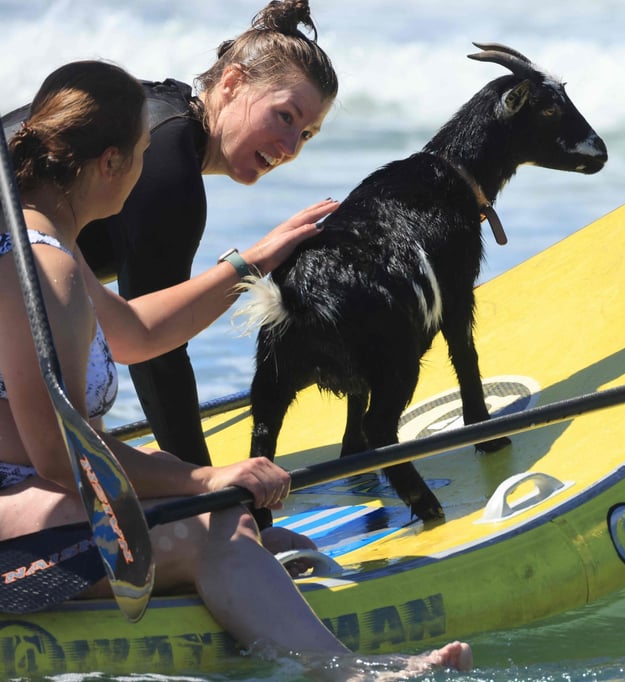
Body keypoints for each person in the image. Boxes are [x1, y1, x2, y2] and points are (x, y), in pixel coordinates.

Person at [0, 60, 472, 676]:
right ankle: (348, 672)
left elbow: (136, 333)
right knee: (210, 525)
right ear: (111, 163)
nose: (146, 169)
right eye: (143, 153)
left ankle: (270, 592)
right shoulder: (45, 268)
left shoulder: (46, 244)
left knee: (243, 525)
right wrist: (203, 482)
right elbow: (60, 458)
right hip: (19, 516)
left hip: (29, 497)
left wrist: (251, 262)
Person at [2, 0, 340, 468]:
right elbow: (152, 354)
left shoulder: (159, 118)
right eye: (285, 116)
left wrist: (253, 261)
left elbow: (131, 331)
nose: (288, 148)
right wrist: (207, 495)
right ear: (232, 82)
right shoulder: (166, 166)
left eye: (306, 135)